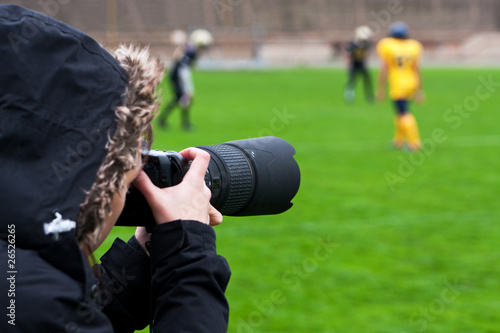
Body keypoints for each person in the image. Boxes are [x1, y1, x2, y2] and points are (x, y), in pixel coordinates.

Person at [0, 5, 230, 333]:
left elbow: (71, 315)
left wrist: (142, 257)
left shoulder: (22, 286)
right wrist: (189, 258)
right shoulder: (29, 305)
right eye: (122, 181)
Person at [376, 22, 424, 151]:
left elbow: (385, 68)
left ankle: (414, 143)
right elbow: (416, 69)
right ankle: (398, 140)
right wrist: (419, 90)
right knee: (399, 112)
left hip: (398, 83)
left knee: (403, 113)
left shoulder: (387, 45)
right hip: (411, 82)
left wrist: (380, 88)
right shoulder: (414, 46)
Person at [157, 29, 214, 131]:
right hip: (177, 76)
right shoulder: (192, 52)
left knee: (180, 99)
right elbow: (183, 70)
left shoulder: (190, 49)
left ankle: (169, 121)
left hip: (176, 75)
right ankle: (180, 123)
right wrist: (188, 88)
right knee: (182, 98)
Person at [343, 25, 375, 103]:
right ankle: (349, 95)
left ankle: (369, 96)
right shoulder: (353, 44)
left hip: (361, 64)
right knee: (352, 80)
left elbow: (366, 53)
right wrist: (348, 63)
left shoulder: (366, 44)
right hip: (354, 64)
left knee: (367, 80)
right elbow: (347, 54)